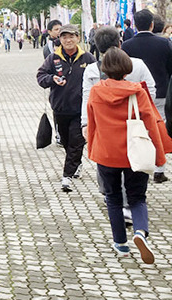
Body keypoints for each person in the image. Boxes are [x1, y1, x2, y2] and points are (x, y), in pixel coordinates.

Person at [86, 47, 165, 264]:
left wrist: (93, 149)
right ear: (127, 69)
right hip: (135, 154)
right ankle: (140, 232)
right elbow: (151, 124)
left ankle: (120, 244)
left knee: (113, 198)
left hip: (106, 153)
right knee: (137, 197)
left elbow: (92, 124)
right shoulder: (137, 91)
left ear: (104, 68)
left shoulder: (96, 92)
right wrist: (159, 158)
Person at [37, 24, 96, 192]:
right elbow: (41, 77)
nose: (68, 40)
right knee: (66, 141)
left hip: (81, 110)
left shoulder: (88, 58)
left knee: (76, 142)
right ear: (60, 39)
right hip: (60, 108)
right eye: (64, 37)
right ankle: (76, 162)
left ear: (78, 38)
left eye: (71, 36)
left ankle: (67, 176)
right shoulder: (53, 58)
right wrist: (52, 78)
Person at [122, 9, 172, 183]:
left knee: (137, 127)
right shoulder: (164, 43)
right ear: (152, 24)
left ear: (135, 25)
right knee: (159, 128)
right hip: (160, 92)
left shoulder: (127, 45)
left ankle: (138, 162)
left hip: (135, 94)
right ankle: (159, 168)